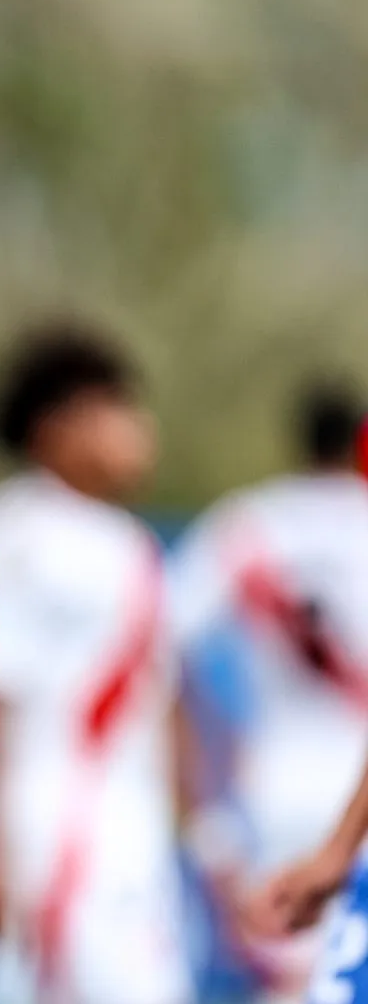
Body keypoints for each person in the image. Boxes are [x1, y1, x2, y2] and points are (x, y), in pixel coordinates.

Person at [0, 330, 192, 1004]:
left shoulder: (121, 539)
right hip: (55, 836)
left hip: (130, 837)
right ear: (61, 426)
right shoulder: (23, 534)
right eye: (120, 409)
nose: (141, 428)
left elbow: (158, 709)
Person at [171, 382, 368, 999]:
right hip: (357, 790)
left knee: (290, 985)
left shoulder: (250, 524)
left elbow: (163, 647)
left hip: (273, 788)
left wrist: (206, 790)